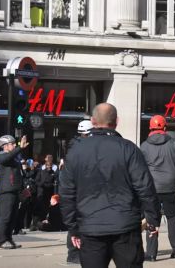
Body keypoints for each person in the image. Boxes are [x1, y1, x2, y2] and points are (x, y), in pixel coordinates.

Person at [59, 103, 161, 267]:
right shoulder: (128, 149)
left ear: (93, 121)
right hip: (125, 225)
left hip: (90, 227)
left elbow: (66, 193)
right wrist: (152, 219)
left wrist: (73, 227)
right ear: (116, 121)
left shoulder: (76, 152)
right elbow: (145, 187)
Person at [140, 114, 175, 261]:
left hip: (151, 189)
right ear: (165, 127)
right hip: (170, 186)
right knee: (172, 218)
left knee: (151, 221)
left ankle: (151, 253)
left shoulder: (144, 146)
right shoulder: (174, 144)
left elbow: (140, 169)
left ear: (150, 128)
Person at [63, 119, 93, 265]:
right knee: (78, 224)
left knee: (75, 223)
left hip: (75, 188)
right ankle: (74, 254)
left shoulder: (73, 147)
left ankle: (75, 253)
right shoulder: (83, 148)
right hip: (81, 189)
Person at [0, 135, 28, 249]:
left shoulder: (14, 158)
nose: (14, 145)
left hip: (14, 189)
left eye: (15, 143)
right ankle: (2, 240)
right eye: (12, 144)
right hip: (6, 190)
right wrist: (19, 148)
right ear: (4, 146)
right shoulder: (0, 156)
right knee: (6, 216)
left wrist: (23, 188)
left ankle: (9, 239)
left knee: (13, 216)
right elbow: (6, 159)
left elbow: (19, 174)